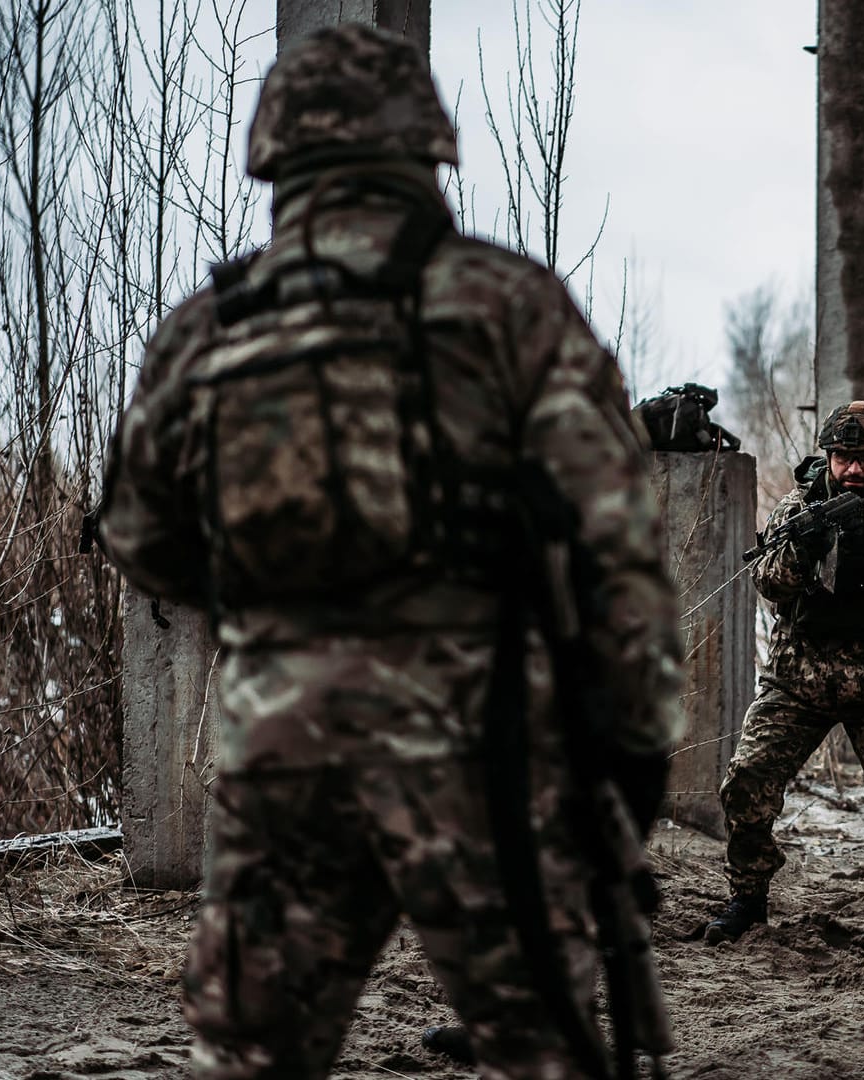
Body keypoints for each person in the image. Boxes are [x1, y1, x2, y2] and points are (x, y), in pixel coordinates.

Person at [96, 23, 681, 1080]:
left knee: (252, 1056)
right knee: (543, 1047)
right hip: (483, 742)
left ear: (273, 151)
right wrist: (632, 747)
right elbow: (621, 546)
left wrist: (276, 627)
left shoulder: (209, 326)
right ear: (424, 144)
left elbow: (138, 535)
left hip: (279, 749)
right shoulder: (506, 302)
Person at [705, 402, 864, 952]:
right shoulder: (801, 505)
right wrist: (803, 548)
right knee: (747, 780)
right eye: (843, 458)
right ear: (828, 457)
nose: (853, 471)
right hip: (799, 679)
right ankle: (746, 897)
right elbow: (767, 581)